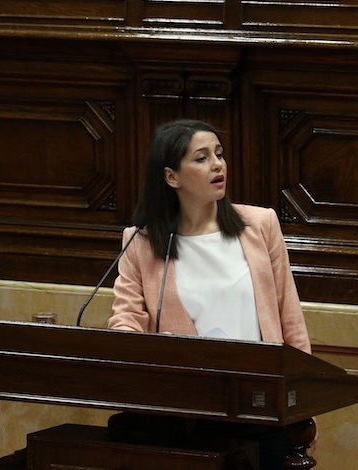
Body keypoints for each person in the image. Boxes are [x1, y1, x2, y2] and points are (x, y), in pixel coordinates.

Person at [107, 118, 309, 468]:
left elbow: (289, 317)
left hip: (260, 406)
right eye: (201, 158)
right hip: (187, 409)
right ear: (172, 176)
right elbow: (125, 321)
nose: (217, 164)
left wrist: (303, 402)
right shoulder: (140, 242)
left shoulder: (260, 226)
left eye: (219, 154)